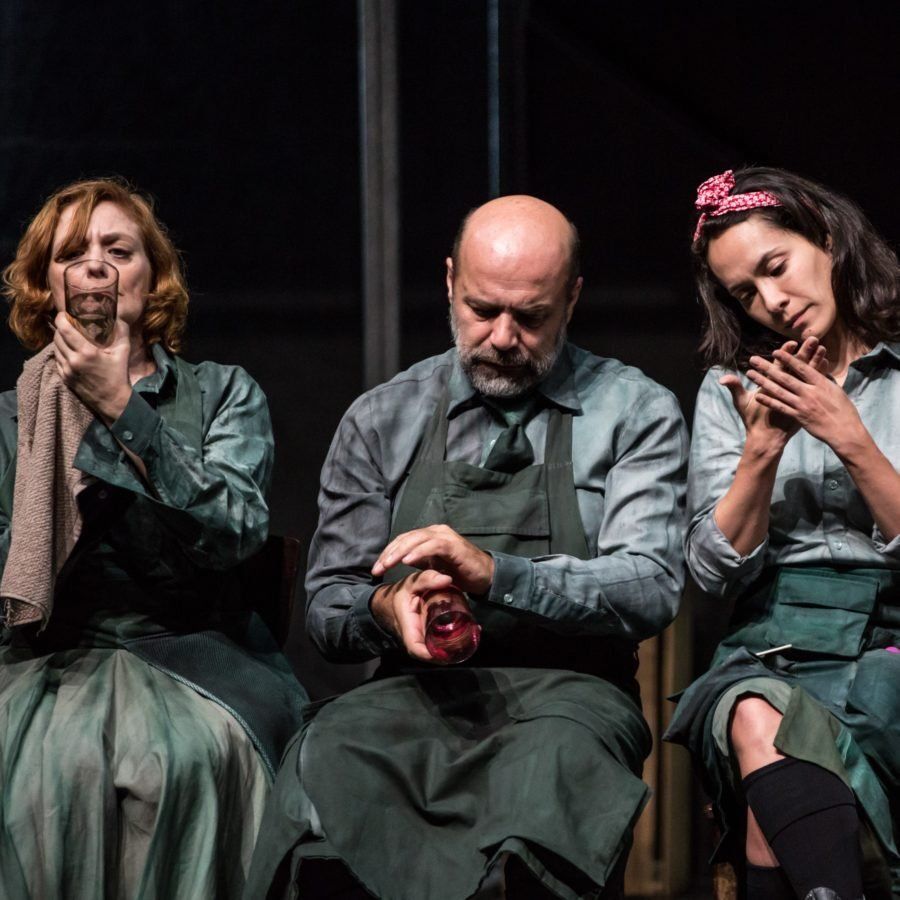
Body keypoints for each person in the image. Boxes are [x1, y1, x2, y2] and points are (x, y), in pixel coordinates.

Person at [246, 195, 688, 899]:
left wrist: (495, 573)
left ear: (572, 298)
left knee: (543, 803)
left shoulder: (633, 411)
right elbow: (330, 605)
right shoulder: (382, 418)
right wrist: (387, 609)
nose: (503, 337)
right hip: (414, 694)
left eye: (531, 316)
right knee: (323, 762)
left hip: (571, 698)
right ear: (450, 281)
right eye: (483, 310)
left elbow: (649, 586)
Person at [0, 178, 307, 899]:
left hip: (195, 651)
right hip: (47, 656)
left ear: (153, 276)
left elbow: (236, 529)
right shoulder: (12, 415)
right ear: (47, 283)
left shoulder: (222, 393)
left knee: (186, 760)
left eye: (118, 250)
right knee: (46, 769)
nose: (95, 267)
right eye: (72, 254)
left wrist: (121, 409)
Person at [664, 168, 900, 900]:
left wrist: (850, 438)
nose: (772, 301)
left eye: (777, 266)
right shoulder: (731, 390)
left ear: (825, 238)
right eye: (745, 293)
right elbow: (711, 572)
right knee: (753, 709)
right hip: (779, 639)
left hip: (889, 636)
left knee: (773, 807)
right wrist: (762, 450)